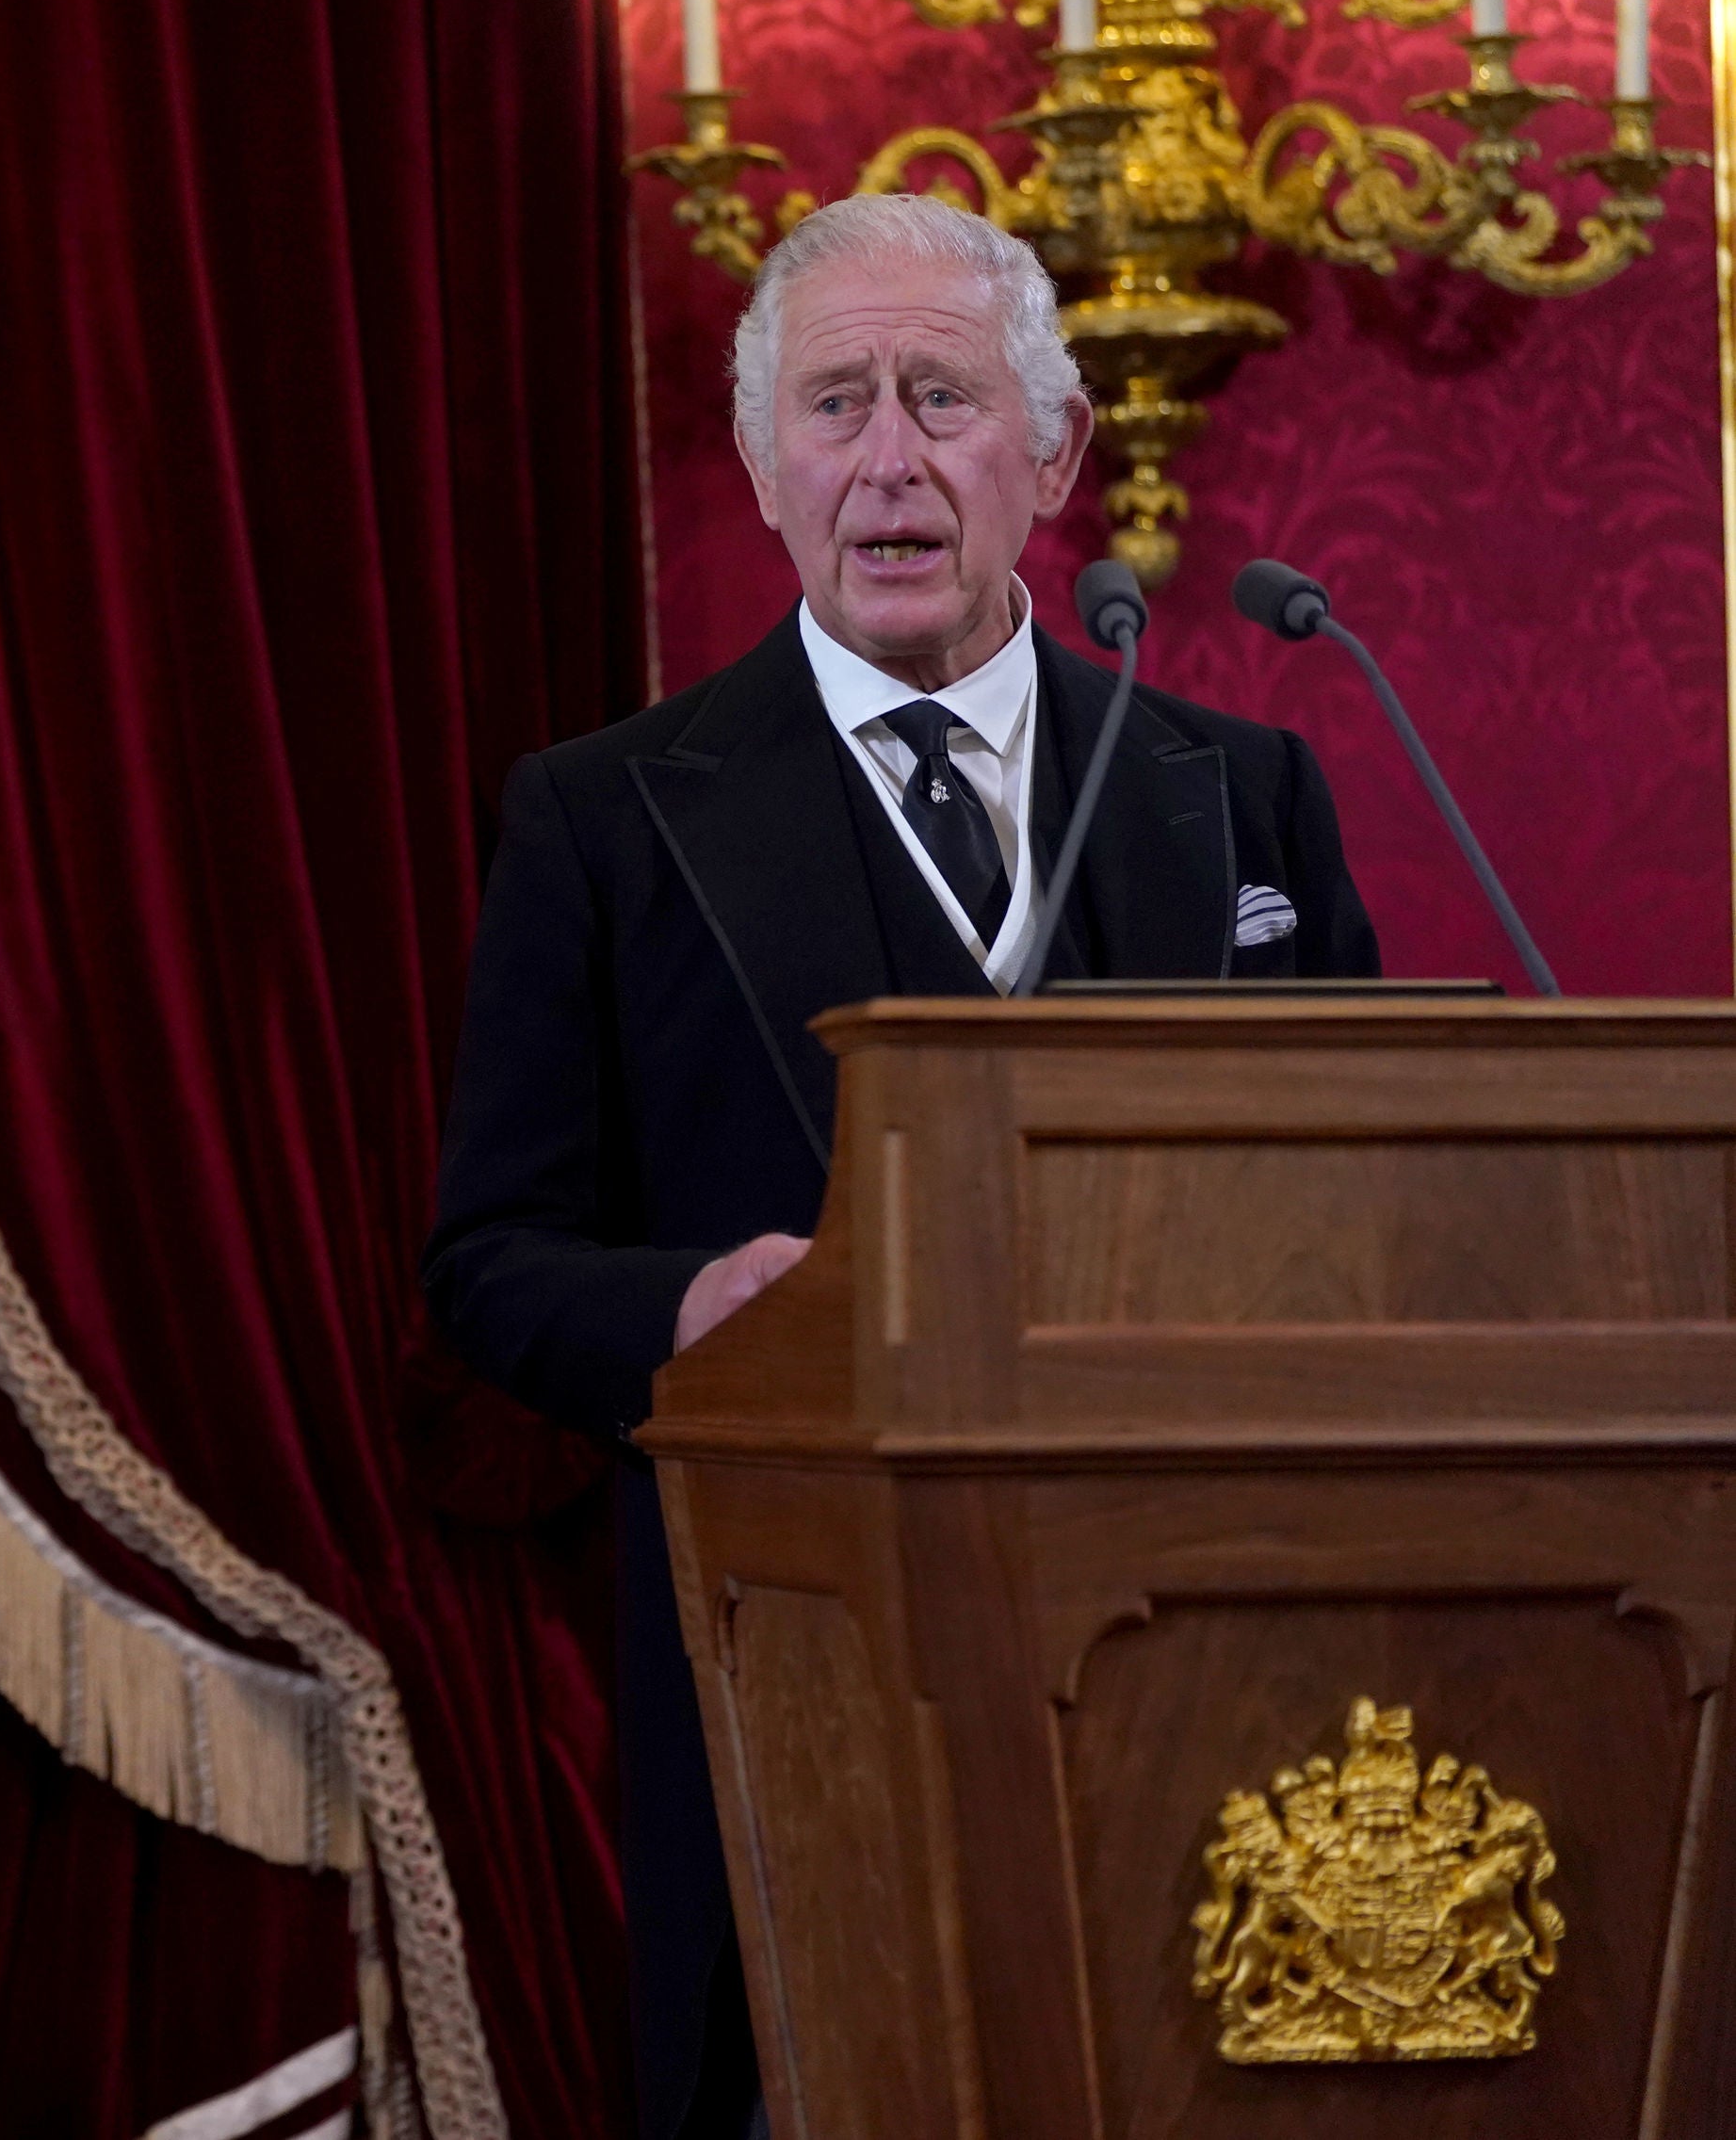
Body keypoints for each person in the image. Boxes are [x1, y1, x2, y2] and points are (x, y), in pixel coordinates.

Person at [422, 195, 1380, 2138]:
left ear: (1047, 458)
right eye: (834, 404)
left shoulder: (1240, 789)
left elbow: (1362, 1191)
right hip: (809, 1694)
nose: (887, 457)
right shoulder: (602, 819)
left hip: (1208, 1679)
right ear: (767, 469)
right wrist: (685, 1307)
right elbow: (493, 1256)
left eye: (940, 399)